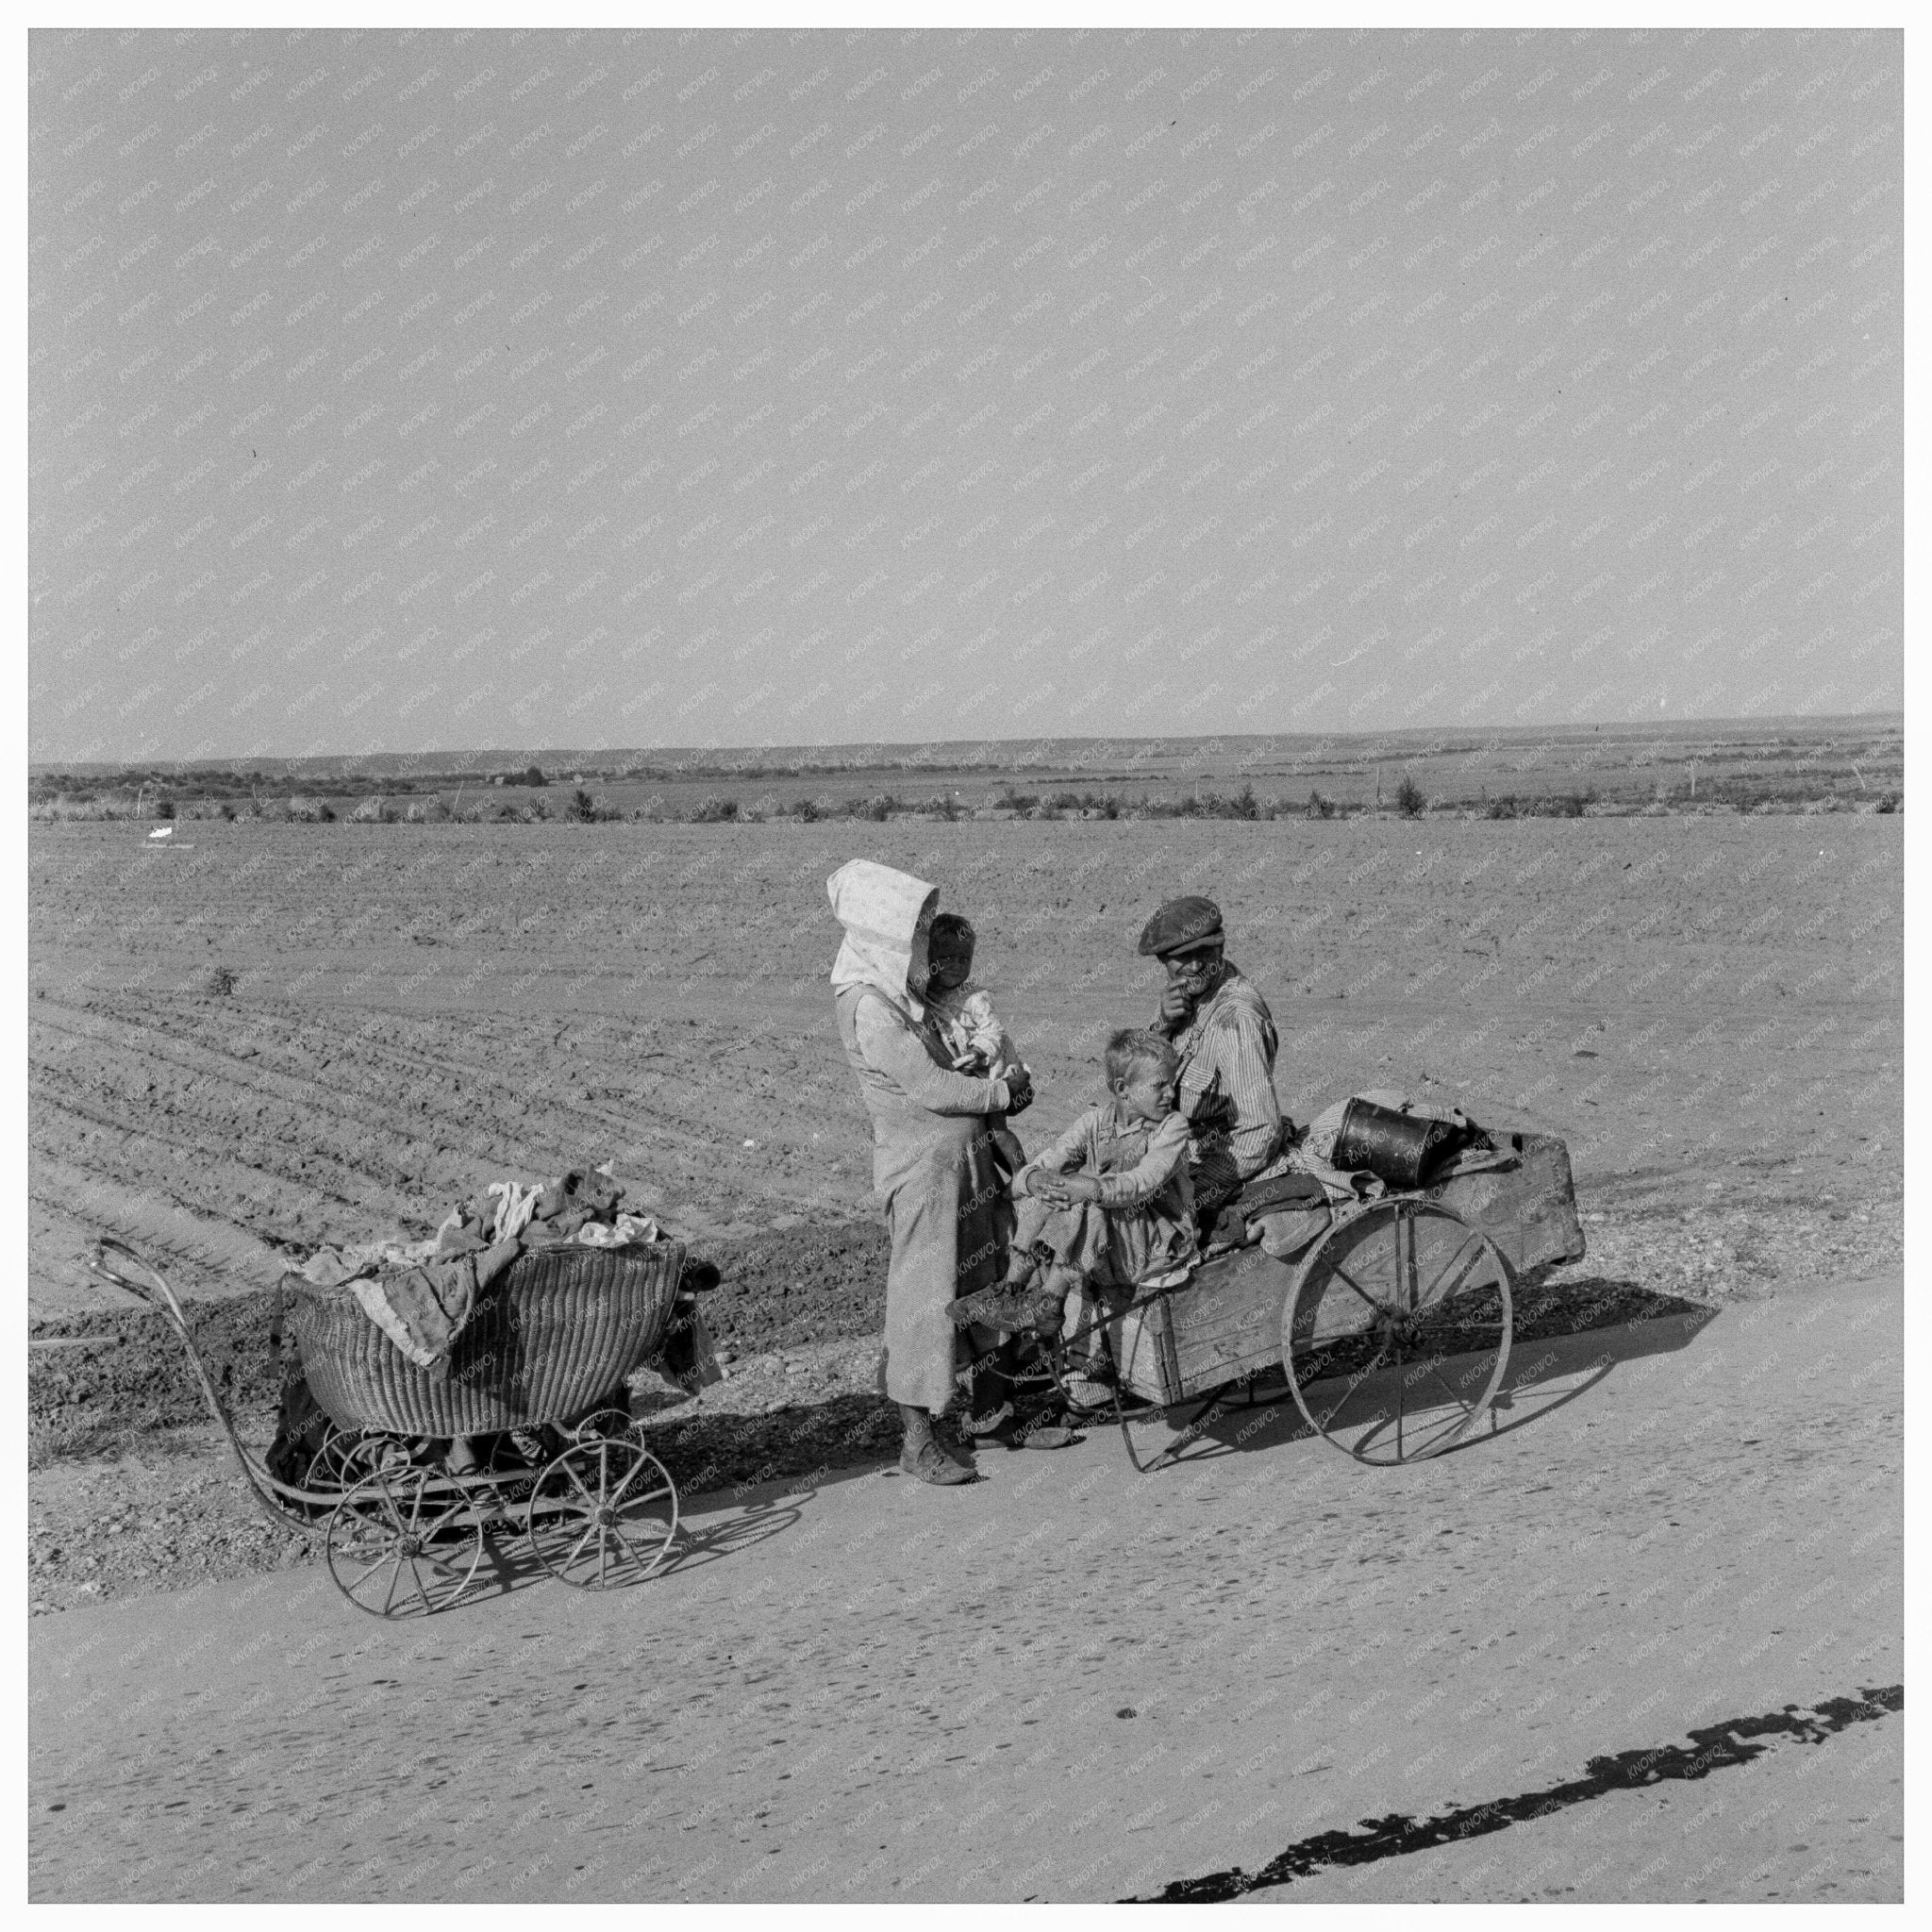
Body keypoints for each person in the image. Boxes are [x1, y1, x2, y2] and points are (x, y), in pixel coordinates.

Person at [827, 859, 1033, 1486]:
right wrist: (1002, 1097)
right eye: (913, 932)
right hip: (924, 1177)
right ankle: (918, 1440)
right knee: (924, 1302)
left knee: (991, 1278)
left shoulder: (902, 994)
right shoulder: (868, 1005)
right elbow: (931, 1086)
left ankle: (995, 1411)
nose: (921, 941)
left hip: (965, 1170)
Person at [954, 1029, 1197, 1413]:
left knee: (1089, 1203)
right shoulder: (1095, 1122)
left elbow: (1143, 1182)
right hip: (1114, 1240)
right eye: (1160, 1085)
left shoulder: (1172, 1127)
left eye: (1172, 1083)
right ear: (1122, 1088)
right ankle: (1011, 1291)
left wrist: (1089, 1188)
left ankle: (1049, 1302)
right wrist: (1035, 1180)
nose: (1170, 1094)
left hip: (1156, 1240)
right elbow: (1051, 1159)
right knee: (1052, 1194)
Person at [922, 913, 1028, 1183]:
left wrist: (979, 1051)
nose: (955, 966)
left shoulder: (975, 997)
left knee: (996, 1130)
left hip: (993, 1070)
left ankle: (1023, 1176)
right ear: (928, 956)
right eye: (946, 958)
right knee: (979, 1135)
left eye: (963, 960)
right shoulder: (929, 993)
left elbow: (995, 1031)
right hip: (969, 1074)